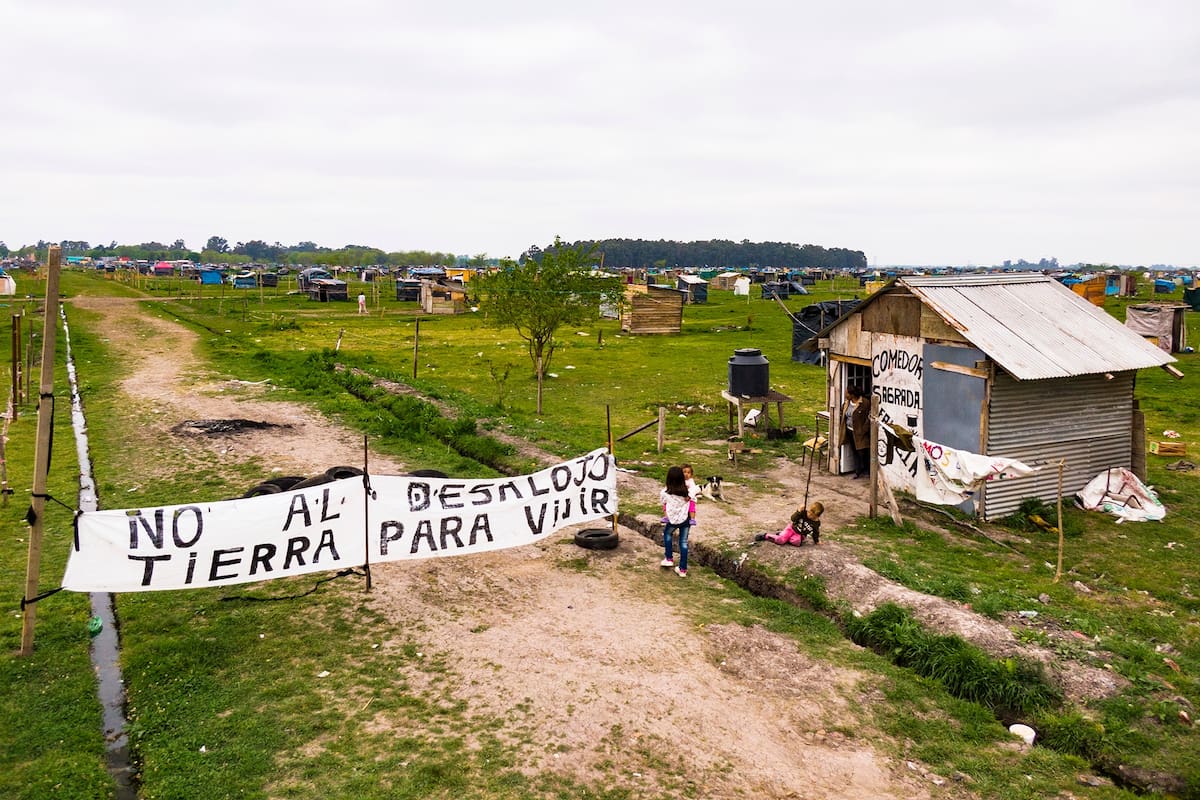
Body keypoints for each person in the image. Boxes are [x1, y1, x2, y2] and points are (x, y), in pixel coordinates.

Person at [659, 466, 693, 577]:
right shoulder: (687, 492)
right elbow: (696, 492)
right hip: (685, 519)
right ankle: (682, 569)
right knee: (683, 542)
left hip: (673, 520)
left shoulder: (665, 492)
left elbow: (662, 501)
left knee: (667, 533)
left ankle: (669, 558)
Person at [842, 385, 871, 478]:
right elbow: (843, 413)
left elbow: (869, 417)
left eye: (847, 393)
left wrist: (864, 429)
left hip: (860, 432)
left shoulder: (864, 403)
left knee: (862, 451)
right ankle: (857, 471)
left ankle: (867, 470)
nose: (845, 395)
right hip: (850, 430)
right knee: (854, 451)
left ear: (852, 395)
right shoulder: (847, 403)